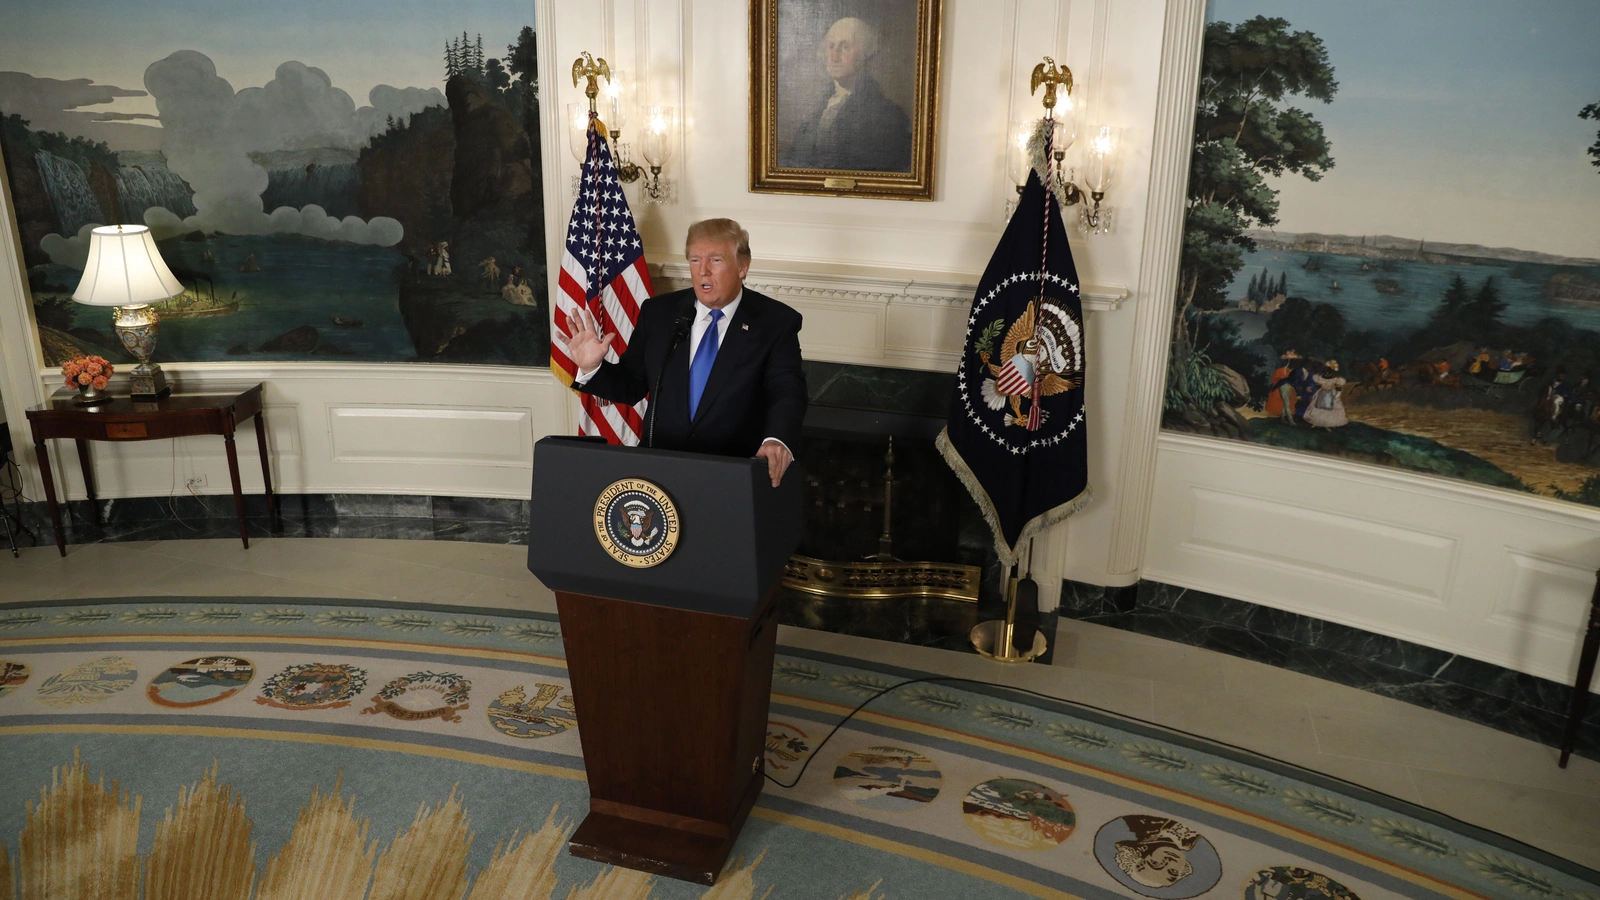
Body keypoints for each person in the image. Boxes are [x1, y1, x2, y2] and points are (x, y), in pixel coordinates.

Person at [565, 218, 807, 487]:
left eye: (715, 260)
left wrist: (776, 438)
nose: (703, 271)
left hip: (733, 475)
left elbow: (787, 390)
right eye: (695, 260)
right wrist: (593, 368)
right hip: (661, 470)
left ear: (742, 267)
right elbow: (632, 385)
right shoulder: (659, 313)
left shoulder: (775, 322)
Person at [781, 17, 912, 172]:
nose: (834, 57)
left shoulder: (889, 116)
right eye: (831, 46)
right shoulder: (817, 111)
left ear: (865, 53)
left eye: (845, 47)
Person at [1304, 360, 1348, 428]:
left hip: (1330, 394)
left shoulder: (1335, 379)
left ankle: (1327, 424)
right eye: (1325, 371)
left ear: (1331, 371)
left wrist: (1336, 396)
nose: (1327, 373)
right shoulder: (1319, 378)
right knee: (1318, 407)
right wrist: (1311, 387)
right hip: (1321, 393)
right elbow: (1316, 384)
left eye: (1328, 371)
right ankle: (1316, 422)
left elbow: (1339, 388)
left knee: (1328, 408)